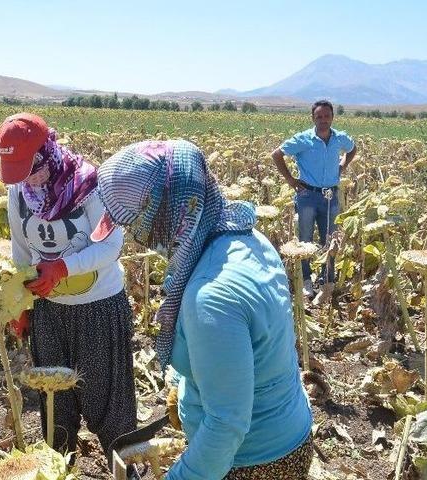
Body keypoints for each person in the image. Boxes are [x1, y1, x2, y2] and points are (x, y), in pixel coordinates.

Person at [92, 140, 313, 479]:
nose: (136, 238)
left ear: (166, 211)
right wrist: (182, 384)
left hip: (255, 462)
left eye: (134, 224)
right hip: (288, 434)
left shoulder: (210, 296)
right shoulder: (246, 237)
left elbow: (226, 424)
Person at [0, 113, 137, 469]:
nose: (26, 179)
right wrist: (22, 303)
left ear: (45, 152)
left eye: (29, 168)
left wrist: (62, 267)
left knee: (110, 405)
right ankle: (60, 470)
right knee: (56, 406)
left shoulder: (89, 184)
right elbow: (21, 251)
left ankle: (125, 471)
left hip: (98, 307)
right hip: (49, 311)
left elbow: (111, 246)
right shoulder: (19, 194)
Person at [271, 100, 356, 300]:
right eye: (319, 116)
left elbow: (352, 149)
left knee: (330, 240)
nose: (323, 120)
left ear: (332, 118)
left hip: (331, 196)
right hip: (307, 196)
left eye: (327, 116)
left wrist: (342, 166)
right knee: (305, 240)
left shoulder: (339, 138)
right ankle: (306, 281)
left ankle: (327, 282)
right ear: (313, 118)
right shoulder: (303, 140)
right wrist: (291, 180)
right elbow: (276, 154)